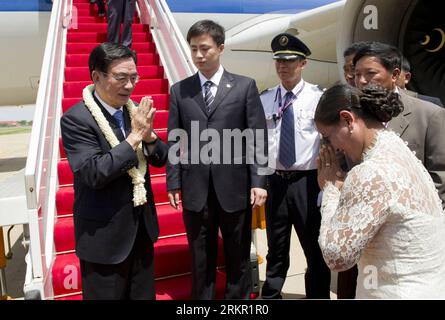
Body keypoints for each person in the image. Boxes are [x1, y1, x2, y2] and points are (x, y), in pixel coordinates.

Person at [166, 20, 268, 300]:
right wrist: (173, 181)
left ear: (220, 48)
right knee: (201, 260)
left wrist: (259, 181)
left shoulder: (244, 87)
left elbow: (257, 136)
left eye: (205, 48)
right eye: (194, 49)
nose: (198, 55)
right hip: (195, 190)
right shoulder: (180, 90)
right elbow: (176, 138)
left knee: (238, 258)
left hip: (235, 188)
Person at [315, 83, 445, 299]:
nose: (330, 147)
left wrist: (329, 189)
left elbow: (336, 257)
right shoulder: (398, 149)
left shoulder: (370, 172)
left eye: (327, 136)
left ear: (348, 120)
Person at [60, 43, 168, 299]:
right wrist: (134, 137)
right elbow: (93, 173)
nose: (130, 86)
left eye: (134, 77)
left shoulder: (133, 112)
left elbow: (161, 159)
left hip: (140, 232)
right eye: (121, 78)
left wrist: (150, 135)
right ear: (96, 76)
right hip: (104, 240)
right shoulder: (77, 119)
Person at [259, 33, 331, 299]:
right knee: (275, 247)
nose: (282, 66)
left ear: (303, 63)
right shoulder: (264, 98)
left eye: (289, 60)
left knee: (314, 247)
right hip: (275, 181)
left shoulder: (318, 98)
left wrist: (327, 185)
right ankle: (271, 296)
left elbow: (329, 143)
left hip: (307, 182)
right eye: (278, 60)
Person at [353, 41, 445, 206]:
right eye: (357, 74)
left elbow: (440, 176)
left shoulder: (430, 115)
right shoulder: (350, 114)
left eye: (370, 73)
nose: (362, 81)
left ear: (395, 75)